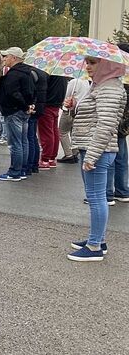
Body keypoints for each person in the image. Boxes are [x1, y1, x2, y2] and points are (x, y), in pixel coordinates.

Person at [67, 57, 127, 261]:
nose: (88, 67)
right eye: (87, 63)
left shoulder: (109, 87)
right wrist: (73, 107)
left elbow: (106, 125)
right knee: (96, 197)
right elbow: (92, 117)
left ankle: (94, 247)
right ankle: (98, 239)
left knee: (97, 198)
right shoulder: (101, 86)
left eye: (93, 63)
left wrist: (92, 155)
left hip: (98, 151)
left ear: (108, 65)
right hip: (94, 148)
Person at [0, 47, 35, 181]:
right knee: (24, 141)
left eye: (6, 56)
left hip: (13, 111)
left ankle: (14, 172)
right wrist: (29, 105)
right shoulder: (27, 72)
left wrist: (24, 105)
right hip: (23, 111)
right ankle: (22, 169)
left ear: (14, 58)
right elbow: (31, 91)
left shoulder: (13, 74)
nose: (4, 59)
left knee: (15, 143)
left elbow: (13, 93)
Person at [39, 75, 67, 169]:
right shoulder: (62, 77)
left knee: (47, 133)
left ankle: (45, 159)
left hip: (48, 104)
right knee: (54, 131)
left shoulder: (50, 74)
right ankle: (51, 158)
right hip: (56, 104)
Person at [59, 77, 90, 163]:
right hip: (80, 109)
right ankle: (75, 151)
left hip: (69, 109)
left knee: (62, 132)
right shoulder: (86, 81)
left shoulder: (73, 82)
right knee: (73, 131)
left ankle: (68, 154)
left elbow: (67, 95)